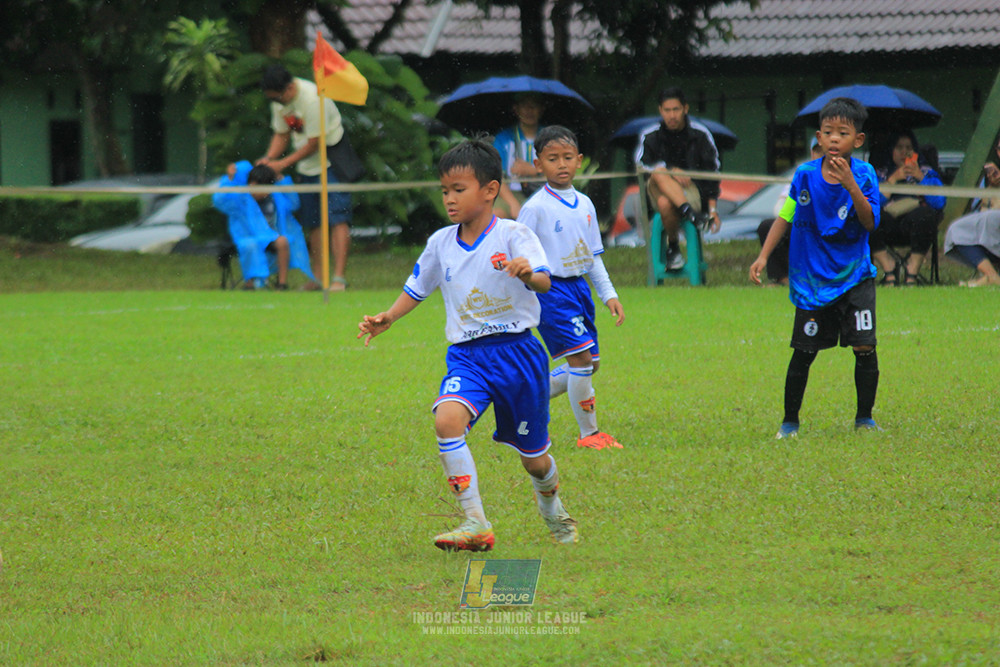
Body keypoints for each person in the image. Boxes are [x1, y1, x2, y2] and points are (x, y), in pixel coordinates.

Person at [357, 139, 578, 552]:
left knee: (534, 459)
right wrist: (388, 316)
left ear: (490, 190)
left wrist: (527, 273)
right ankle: (475, 522)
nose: (450, 199)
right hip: (468, 358)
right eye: (445, 191)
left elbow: (545, 281)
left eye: (459, 189)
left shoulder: (515, 234)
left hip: (519, 356)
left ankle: (552, 508)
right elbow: (417, 288)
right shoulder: (441, 242)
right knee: (447, 421)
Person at [749, 97, 882, 438]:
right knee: (804, 351)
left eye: (842, 132)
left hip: (855, 276)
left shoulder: (865, 175)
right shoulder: (805, 175)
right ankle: (789, 422)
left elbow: (869, 223)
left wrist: (851, 185)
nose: (834, 138)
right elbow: (787, 215)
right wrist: (764, 256)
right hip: (813, 282)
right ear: (819, 139)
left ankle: (864, 419)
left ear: (858, 140)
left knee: (864, 346)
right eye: (828, 132)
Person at [516, 126, 626, 450]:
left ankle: (527, 398)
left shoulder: (586, 205)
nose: (561, 164)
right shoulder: (535, 208)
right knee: (580, 361)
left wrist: (609, 295)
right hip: (550, 291)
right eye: (552, 159)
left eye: (567, 157)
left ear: (579, 160)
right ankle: (589, 435)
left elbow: (592, 257)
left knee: (591, 363)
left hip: (579, 290)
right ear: (538, 165)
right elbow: (517, 252)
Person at [258, 63, 352, 292]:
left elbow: (314, 143)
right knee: (314, 222)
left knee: (337, 218)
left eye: (279, 97)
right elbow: (281, 133)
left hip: (331, 162)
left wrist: (281, 164)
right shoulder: (279, 102)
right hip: (306, 168)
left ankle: (338, 278)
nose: (278, 103)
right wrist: (269, 159)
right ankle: (318, 278)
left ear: (290, 88)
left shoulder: (312, 99)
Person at [637, 87, 722, 270]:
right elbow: (642, 168)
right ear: (660, 111)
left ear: (685, 108)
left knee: (665, 203)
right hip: (656, 188)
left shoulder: (700, 137)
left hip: (692, 193)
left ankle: (673, 248)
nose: (672, 115)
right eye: (667, 110)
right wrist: (670, 170)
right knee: (659, 172)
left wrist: (713, 209)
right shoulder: (651, 139)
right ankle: (692, 216)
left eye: (676, 109)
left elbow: (712, 174)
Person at [212, 161, 314, 290]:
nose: (257, 192)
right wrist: (229, 180)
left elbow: (294, 204)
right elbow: (219, 200)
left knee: (283, 241)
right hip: (246, 236)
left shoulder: (276, 199)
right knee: (250, 245)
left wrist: (282, 180)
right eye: (253, 187)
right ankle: (250, 284)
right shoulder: (239, 199)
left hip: (270, 236)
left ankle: (281, 284)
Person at [868, 130, 945, 285]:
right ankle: (888, 267)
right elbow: (872, 201)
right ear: (891, 150)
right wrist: (893, 179)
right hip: (888, 225)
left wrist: (920, 178)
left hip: (916, 225)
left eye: (908, 147)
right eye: (899, 147)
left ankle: (912, 271)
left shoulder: (927, 172)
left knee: (927, 214)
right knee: (868, 217)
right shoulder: (879, 173)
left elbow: (939, 203)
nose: (904, 152)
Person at [756, 138, 827, 286]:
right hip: (805, 225)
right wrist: (762, 257)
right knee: (768, 226)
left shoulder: (853, 175)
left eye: (824, 151)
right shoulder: (803, 175)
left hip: (832, 229)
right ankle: (784, 279)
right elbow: (782, 213)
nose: (820, 156)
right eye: (817, 151)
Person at [944, 145, 1000, 287]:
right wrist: (991, 188)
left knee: (990, 219)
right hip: (992, 229)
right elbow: (979, 209)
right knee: (958, 228)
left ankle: (989, 279)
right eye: (999, 148)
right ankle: (991, 275)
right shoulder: (992, 175)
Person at [493, 93, 546, 219]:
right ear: (516, 109)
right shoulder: (503, 139)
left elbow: (560, 172)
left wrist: (534, 171)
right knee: (495, 214)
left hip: (544, 193)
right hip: (511, 193)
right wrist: (513, 204)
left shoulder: (550, 137)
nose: (529, 110)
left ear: (542, 109)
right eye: (524, 106)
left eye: (534, 105)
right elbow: (496, 175)